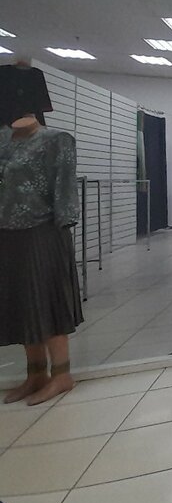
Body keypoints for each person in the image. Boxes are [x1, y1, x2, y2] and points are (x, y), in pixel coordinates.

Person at [0, 110, 82, 405]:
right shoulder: (3, 141)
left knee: (47, 300)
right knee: (22, 305)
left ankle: (61, 374)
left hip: (44, 231)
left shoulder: (55, 140)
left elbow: (64, 187)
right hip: (8, 234)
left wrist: (63, 225)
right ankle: (35, 374)